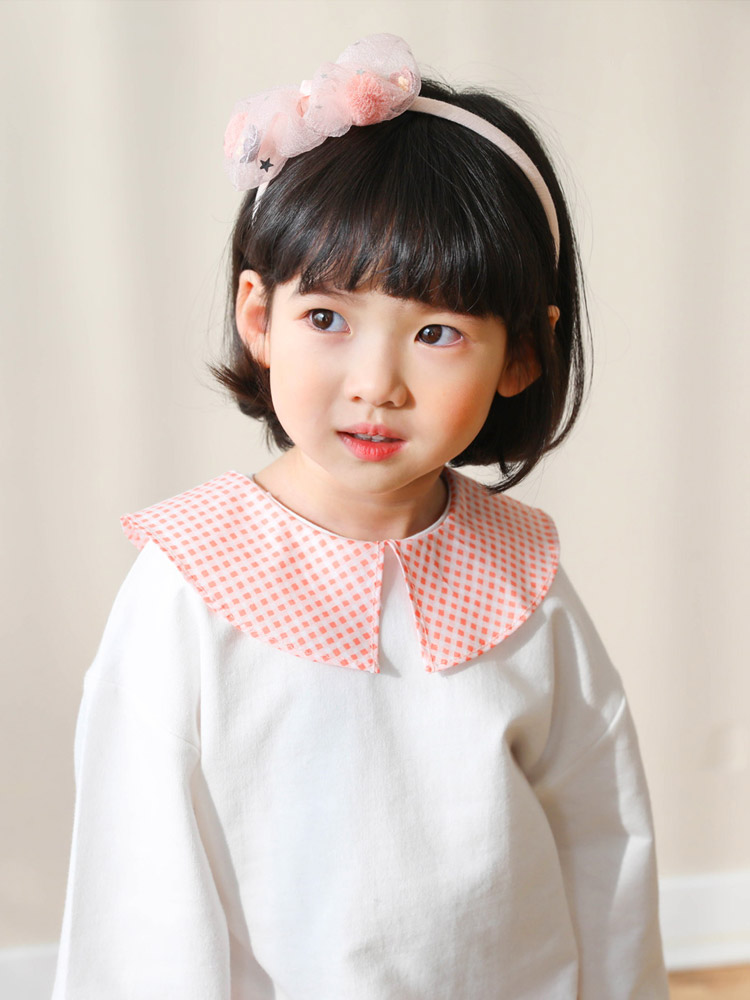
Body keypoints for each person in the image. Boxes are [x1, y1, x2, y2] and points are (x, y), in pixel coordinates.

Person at [52, 33, 669, 999]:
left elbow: (604, 835)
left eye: (438, 332)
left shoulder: (524, 578)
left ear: (521, 355)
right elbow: (138, 889)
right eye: (328, 318)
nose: (376, 384)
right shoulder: (190, 582)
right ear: (259, 316)